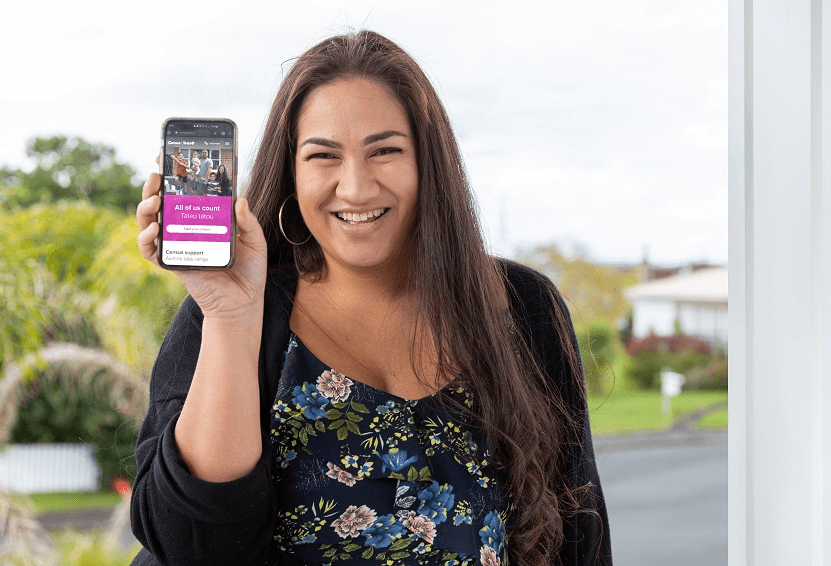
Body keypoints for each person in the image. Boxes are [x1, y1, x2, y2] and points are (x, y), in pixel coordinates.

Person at [131, 30, 611, 566]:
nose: (355, 187)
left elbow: (578, 537)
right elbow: (191, 547)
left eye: (384, 151)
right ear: (292, 171)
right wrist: (229, 314)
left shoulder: (523, 308)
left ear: (428, 163)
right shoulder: (235, 308)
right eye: (323, 156)